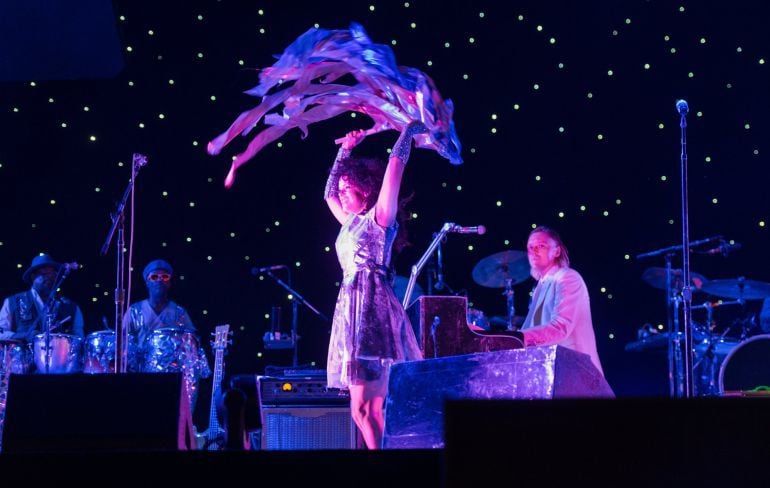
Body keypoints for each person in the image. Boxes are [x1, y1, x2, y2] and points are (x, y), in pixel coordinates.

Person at [324, 122, 426, 449]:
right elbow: (326, 194)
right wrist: (345, 150)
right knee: (362, 411)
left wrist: (407, 130)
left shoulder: (379, 219)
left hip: (372, 312)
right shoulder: (348, 222)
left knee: (368, 408)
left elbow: (395, 168)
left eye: (347, 190)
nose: (340, 195)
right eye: (341, 190)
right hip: (351, 313)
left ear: (365, 191)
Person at [519, 226, 605, 377]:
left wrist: (515, 338)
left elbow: (560, 328)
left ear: (557, 251)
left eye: (541, 246)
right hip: (554, 373)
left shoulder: (568, 277)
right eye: (530, 247)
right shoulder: (541, 286)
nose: (533, 251)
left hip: (577, 374)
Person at [122, 259, 210, 408]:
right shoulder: (134, 310)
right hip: (141, 374)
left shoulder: (178, 312)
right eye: (154, 277)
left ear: (170, 283)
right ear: (147, 282)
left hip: (171, 374)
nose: (159, 281)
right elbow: (123, 342)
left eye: (164, 277)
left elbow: (192, 340)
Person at [0, 253, 85, 372]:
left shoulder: (71, 307)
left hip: (61, 373)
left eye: (53, 273)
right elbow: (1, 333)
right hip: (22, 372)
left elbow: (80, 339)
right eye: (44, 274)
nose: (49, 277)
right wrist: (23, 336)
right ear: (33, 277)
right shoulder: (12, 302)